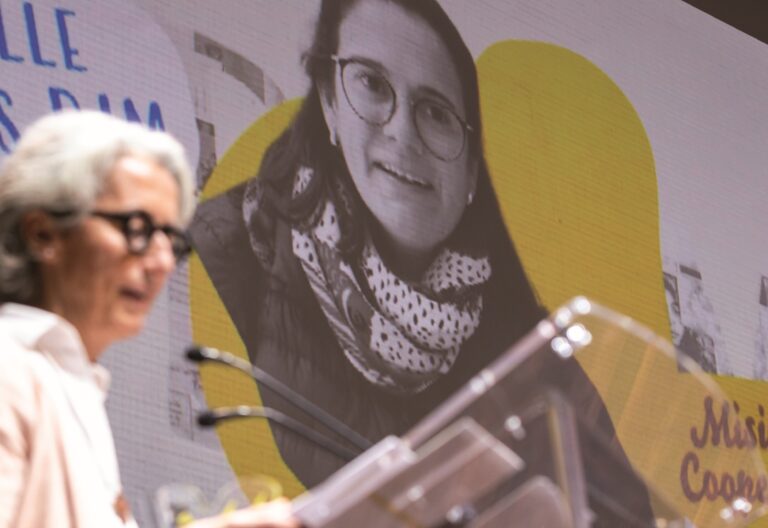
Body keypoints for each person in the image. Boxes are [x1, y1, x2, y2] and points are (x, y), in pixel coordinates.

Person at [191, 0, 654, 524]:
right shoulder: (225, 248)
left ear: (472, 171)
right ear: (329, 103)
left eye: (436, 112)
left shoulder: (535, 350)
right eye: (372, 84)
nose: (402, 131)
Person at [0, 111, 297, 528]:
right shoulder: (10, 371)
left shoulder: (71, 385)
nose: (162, 263)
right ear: (42, 233)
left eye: (170, 239)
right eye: (137, 228)